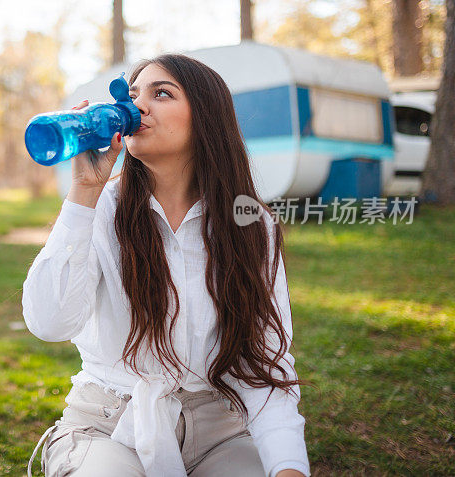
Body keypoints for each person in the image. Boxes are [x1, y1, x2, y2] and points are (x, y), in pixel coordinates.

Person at [21, 54, 311, 477]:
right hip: (107, 425)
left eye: (161, 93)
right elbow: (48, 324)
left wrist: (288, 466)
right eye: (133, 94)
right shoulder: (101, 207)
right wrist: (84, 191)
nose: (138, 106)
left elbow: (265, 367)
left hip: (220, 429)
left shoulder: (251, 224)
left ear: (207, 118)